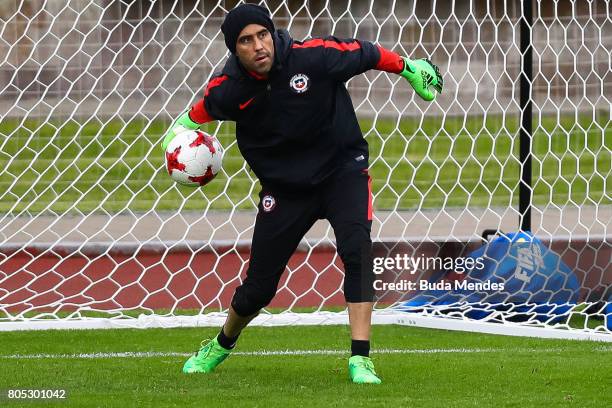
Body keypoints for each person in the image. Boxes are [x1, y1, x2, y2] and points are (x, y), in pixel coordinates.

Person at [161, 3, 442, 384]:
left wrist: (409, 68)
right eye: (246, 41)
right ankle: (222, 343)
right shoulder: (228, 90)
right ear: (234, 49)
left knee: (357, 249)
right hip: (285, 189)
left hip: (342, 171)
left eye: (262, 35)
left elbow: (369, 53)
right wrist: (175, 141)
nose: (259, 45)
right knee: (258, 289)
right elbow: (192, 117)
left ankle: (360, 359)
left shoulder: (313, 57)